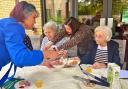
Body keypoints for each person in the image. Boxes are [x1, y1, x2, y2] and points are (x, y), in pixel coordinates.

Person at [0, 1, 61, 86]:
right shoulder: (13, 27)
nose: (35, 22)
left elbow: (19, 54)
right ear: (24, 16)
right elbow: (19, 58)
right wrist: (46, 54)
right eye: (34, 17)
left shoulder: (9, 24)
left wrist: (42, 62)